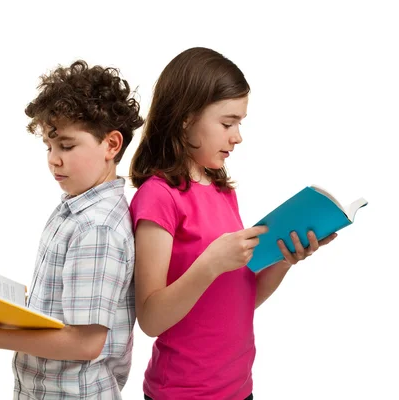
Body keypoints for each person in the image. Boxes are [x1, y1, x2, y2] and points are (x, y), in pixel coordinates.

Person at [128, 47, 338, 400]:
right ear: (184, 118)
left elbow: (238, 301)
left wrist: (284, 260)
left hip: (239, 390)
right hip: (181, 393)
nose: (237, 136)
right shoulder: (158, 195)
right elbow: (150, 319)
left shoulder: (223, 190)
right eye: (227, 123)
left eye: (239, 123)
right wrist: (209, 264)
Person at [0, 60, 144, 399]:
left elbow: (86, 343)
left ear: (111, 145)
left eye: (67, 146)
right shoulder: (75, 209)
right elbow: (61, 311)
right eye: (49, 146)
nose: (53, 159)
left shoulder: (97, 227)